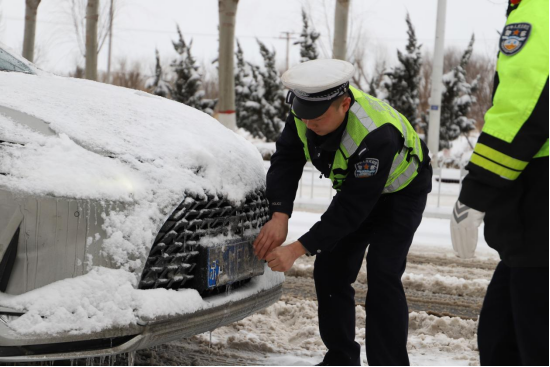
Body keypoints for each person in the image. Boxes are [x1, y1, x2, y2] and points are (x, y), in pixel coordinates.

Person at [253, 59, 432, 366]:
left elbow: (351, 209)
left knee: (383, 272)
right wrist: (279, 214)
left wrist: (297, 248)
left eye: (317, 118)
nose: (308, 124)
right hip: (359, 193)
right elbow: (286, 159)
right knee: (330, 268)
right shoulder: (305, 113)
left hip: (402, 193)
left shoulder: (375, 134)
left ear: (344, 105)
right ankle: (341, 358)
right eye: (303, 115)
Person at [450, 0, 549, 365]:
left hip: (539, 221)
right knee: (499, 337)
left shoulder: (537, 10)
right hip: (530, 232)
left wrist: (477, 192)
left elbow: (524, 107)